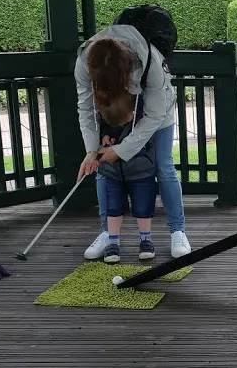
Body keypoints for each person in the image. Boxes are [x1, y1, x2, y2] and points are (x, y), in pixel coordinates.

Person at [75, 25, 192, 259]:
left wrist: (121, 150)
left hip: (156, 113)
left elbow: (155, 115)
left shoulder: (148, 61)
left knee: (163, 167)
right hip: (112, 111)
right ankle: (108, 233)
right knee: (103, 169)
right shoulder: (84, 63)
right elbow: (86, 108)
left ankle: (177, 231)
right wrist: (91, 149)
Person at [96, 90, 158, 263]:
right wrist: (105, 136)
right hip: (113, 171)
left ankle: (145, 239)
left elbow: (145, 134)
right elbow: (102, 124)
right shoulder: (108, 110)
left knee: (143, 206)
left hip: (141, 170)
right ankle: (113, 241)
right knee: (113, 206)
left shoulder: (143, 115)